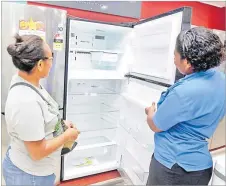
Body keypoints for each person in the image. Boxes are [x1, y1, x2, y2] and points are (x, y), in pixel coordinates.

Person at [145, 27, 225, 185]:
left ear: (187, 62)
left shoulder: (184, 92)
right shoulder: (221, 79)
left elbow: (156, 125)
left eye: (175, 54)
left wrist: (150, 113)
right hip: (200, 168)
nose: (174, 59)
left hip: (173, 167)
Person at [3, 34, 80, 186]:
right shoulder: (25, 101)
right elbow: (37, 153)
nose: (52, 63)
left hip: (36, 173)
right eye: (51, 58)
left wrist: (60, 124)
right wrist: (67, 136)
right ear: (39, 65)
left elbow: (39, 117)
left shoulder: (29, 81)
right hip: (29, 176)